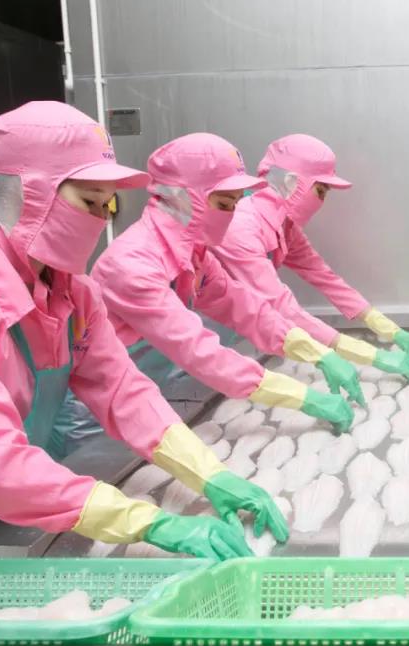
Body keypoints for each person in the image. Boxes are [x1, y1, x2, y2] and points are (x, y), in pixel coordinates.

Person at [0, 101, 280, 558]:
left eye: (107, 204)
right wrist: (149, 522)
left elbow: (125, 393)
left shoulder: (74, 295)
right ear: (27, 195)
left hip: (8, 518)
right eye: (89, 201)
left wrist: (210, 473)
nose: (102, 218)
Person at [86, 133, 360, 439]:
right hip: (99, 413)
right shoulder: (132, 264)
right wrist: (304, 397)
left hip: (150, 390)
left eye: (234, 204)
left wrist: (318, 354)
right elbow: (199, 351)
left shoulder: (195, 254)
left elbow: (244, 308)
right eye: (224, 203)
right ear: (183, 197)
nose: (231, 215)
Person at [211, 134, 409, 380]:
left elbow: (324, 276)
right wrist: (371, 355)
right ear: (292, 182)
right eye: (320, 191)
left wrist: (390, 330)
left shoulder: (284, 227)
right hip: (198, 333)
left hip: (230, 334)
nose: (322, 201)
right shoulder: (240, 226)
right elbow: (280, 307)